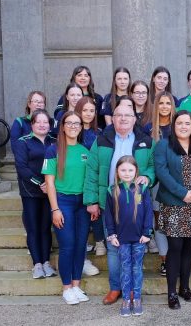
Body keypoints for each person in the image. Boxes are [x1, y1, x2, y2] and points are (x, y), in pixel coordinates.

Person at [83, 103, 156, 305]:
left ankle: (132, 290)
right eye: (119, 115)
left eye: (128, 115)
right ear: (112, 119)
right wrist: (91, 200)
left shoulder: (146, 141)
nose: (123, 119)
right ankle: (116, 288)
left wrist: (148, 178)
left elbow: (152, 166)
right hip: (111, 203)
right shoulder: (102, 141)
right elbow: (92, 171)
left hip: (136, 206)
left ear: (134, 119)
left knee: (135, 250)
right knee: (114, 248)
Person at [155, 111, 191, 309]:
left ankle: (184, 288)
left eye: (187, 123)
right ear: (173, 125)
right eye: (180, 123)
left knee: (189, 248)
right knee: (175, 248)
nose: (184, 126)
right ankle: (171, 292)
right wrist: (182, 193)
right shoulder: (163, 145)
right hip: (174, 205)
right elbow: (162, 172)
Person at [42, 111, 91, 304]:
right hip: (63, 202)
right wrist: (55, 209)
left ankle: (76, 285)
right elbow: (50, 183)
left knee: (80, 246)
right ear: (62, 126)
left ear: (81, 127)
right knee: (68, 245)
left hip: (82, 203)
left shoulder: (85, 150)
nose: (73, 126)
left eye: (77, 123)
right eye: (69, 123)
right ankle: (66, 288)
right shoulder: (53, 150)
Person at [105, 156, 153, 317]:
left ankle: (137, 298)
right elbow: (109, 216)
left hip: (139, 237)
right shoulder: (112, 190)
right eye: (123, 170)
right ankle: (126, 299)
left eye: (130, 170)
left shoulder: (143, 189)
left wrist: (147, 233)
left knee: (136, 268)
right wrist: (111, 234)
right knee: (125, 268)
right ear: (117, 171)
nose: (127, 173)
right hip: (121, 238)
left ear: (136, 171)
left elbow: (148, 212)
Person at [12, 109, 57, 279]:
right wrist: (40, 184)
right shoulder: (23, 142)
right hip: (30, 192)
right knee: (33, 228)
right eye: (38, 122)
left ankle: (46, 262)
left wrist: (51, 185)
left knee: (46, 228)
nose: (42, 125)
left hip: (50, 191)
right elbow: (22, 167)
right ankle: (37, 264)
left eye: (45, 122)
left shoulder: (54, 141)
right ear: (32, 124)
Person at [144, 91, 176, 274]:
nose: (165, 107)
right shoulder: (148, 128)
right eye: (161, 103)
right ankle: (165, 259)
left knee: (175, 221)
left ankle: (175, 258)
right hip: (156, 181)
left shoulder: (179, 125)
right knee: (160, 221)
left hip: (176, 181)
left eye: (168, 103)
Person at [76, 96, 106, 262]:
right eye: (84, 110)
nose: (88, 114)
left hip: (93, 178)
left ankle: (99, 240)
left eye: (91, 111)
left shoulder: (99, 133)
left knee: (96, 210)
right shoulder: (73, 131)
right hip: (77, 180)